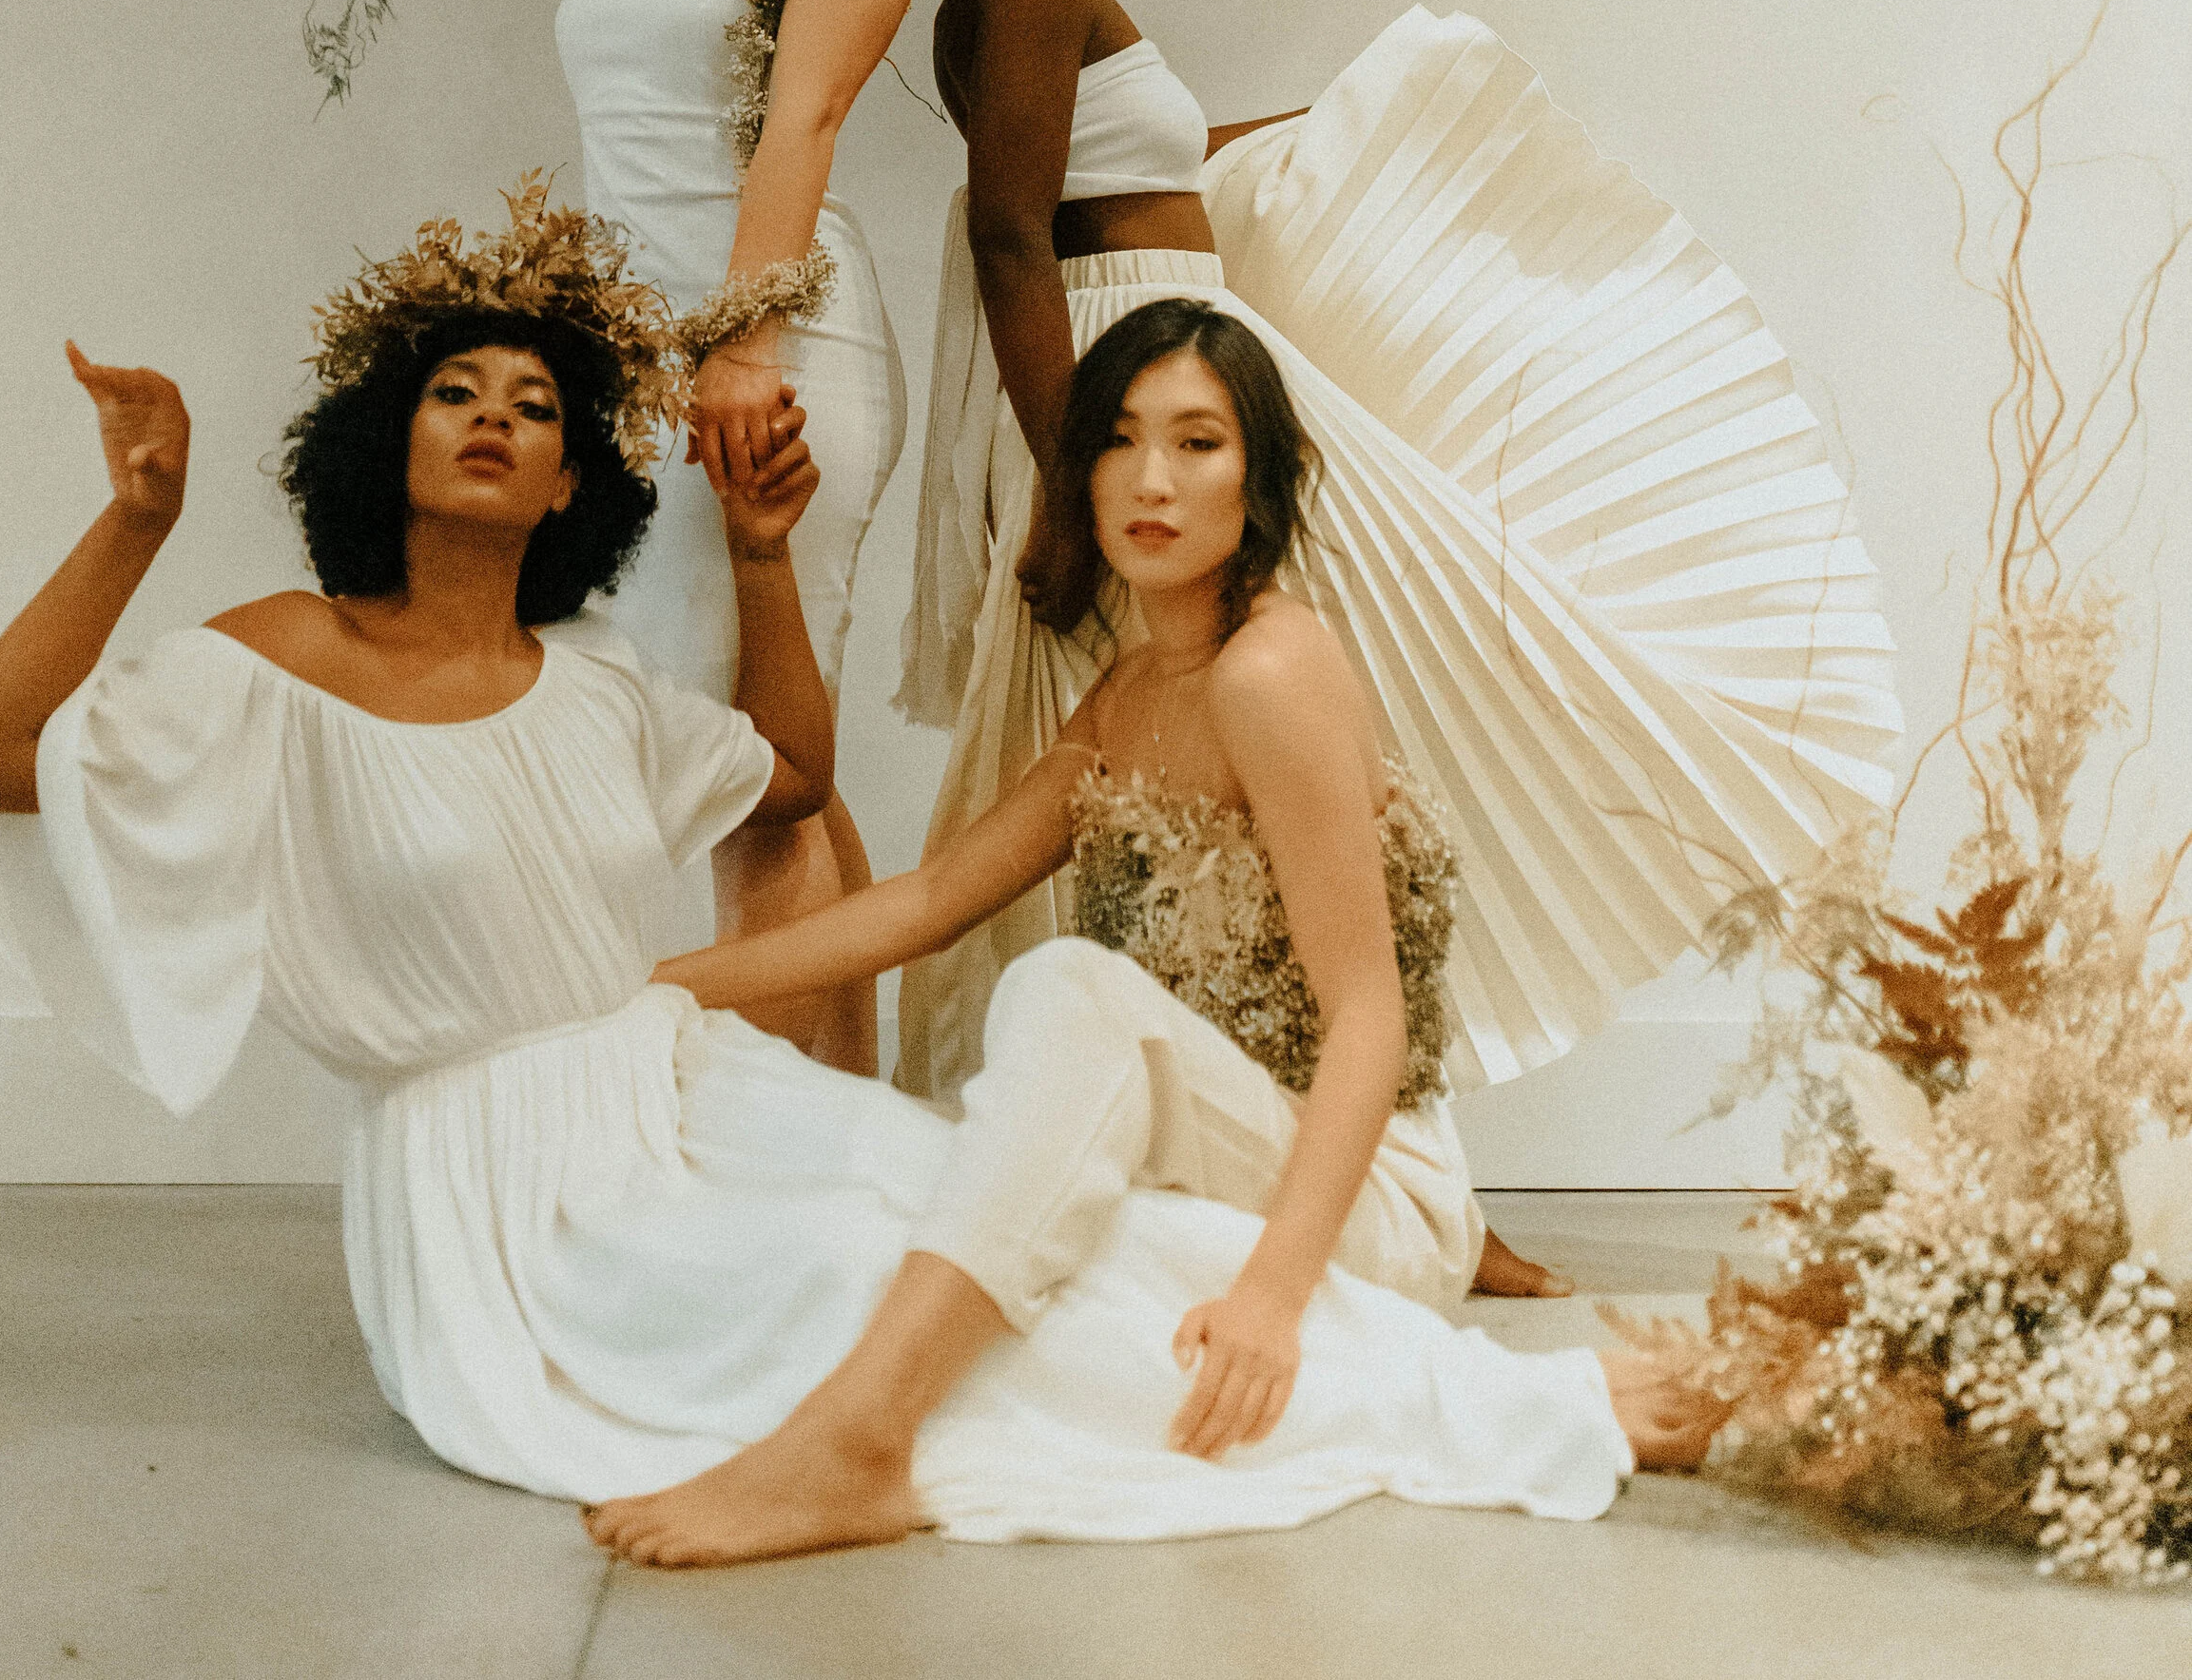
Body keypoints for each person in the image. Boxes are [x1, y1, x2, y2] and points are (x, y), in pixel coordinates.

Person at [0, 223, 1708, 1544]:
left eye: (531, 401)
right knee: (960, 1223)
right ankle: (1573, 1396)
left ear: (573, 477)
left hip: (771, 1109)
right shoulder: (284, 659)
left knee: (941, 1204)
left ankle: (882, 1437)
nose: (488, 417)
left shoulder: (600, 681)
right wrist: (135, 525)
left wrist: (762, 558)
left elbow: (788, 782)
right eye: (449, 392)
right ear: (379, 436)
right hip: (503, 1174)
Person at [590, 297, 1723, 1569]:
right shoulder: (1128, 689)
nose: (1152, 478)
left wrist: (1272, 1300)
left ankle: (856, 1439)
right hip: (1222, 1142)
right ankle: (848, 1420)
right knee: (921, 1189)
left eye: (1200, 442)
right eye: (1121, 440)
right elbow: (925, 903)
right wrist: (642, 985)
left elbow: (1369, 1017)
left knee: (1067, 985)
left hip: (1366, 1191)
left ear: (1263, 478)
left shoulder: (1272, 670)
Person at [896, 0, 1901, 1116]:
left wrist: (1358, 124)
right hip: (1130, 382)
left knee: (1277, 752)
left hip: (1157, 363)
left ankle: (1308, 1129)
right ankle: (1238, 1129)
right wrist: (1078, 480)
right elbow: (1013, 229)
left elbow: (1116, 173)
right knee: (1261, 756)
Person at [482, 0, 940, 1065]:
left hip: (773, 338)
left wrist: (740, 348)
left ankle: (787, 1174)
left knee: (754, 773)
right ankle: (852, 1141)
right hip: (637, 349)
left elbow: (801, 117)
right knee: (767, 771)